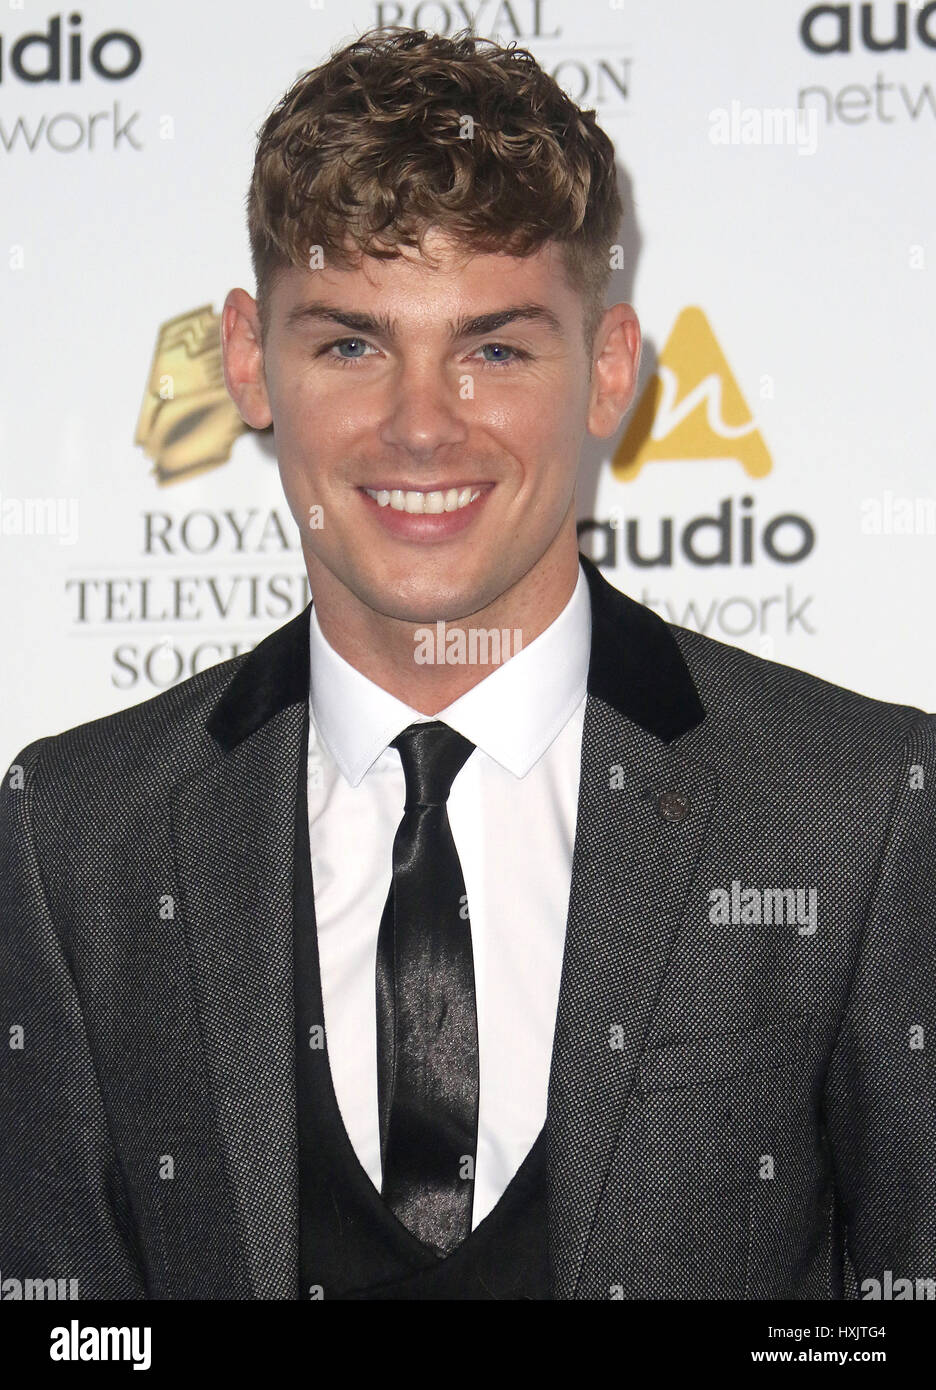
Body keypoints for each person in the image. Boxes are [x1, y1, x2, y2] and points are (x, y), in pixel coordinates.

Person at [1, 25, 933, 1302]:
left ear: (607, 370)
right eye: (351, 344)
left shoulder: (857, 809)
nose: (422, 426)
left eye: (495, 349)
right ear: (244, 359)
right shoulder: (78, 837)